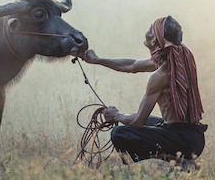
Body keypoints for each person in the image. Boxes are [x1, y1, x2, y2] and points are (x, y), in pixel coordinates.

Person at [82, 16, 207, 167]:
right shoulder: (177, 57)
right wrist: (98, 60)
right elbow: (132, 65)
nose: (146, 33)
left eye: (150, 30)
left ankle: (177, 161)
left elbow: (138, 121)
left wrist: (116, 116)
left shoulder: (160, 75)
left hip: (184, 140)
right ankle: (178, 158)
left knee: (120, 134)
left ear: (154, 41)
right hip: (193, 136)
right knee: (146, 123)